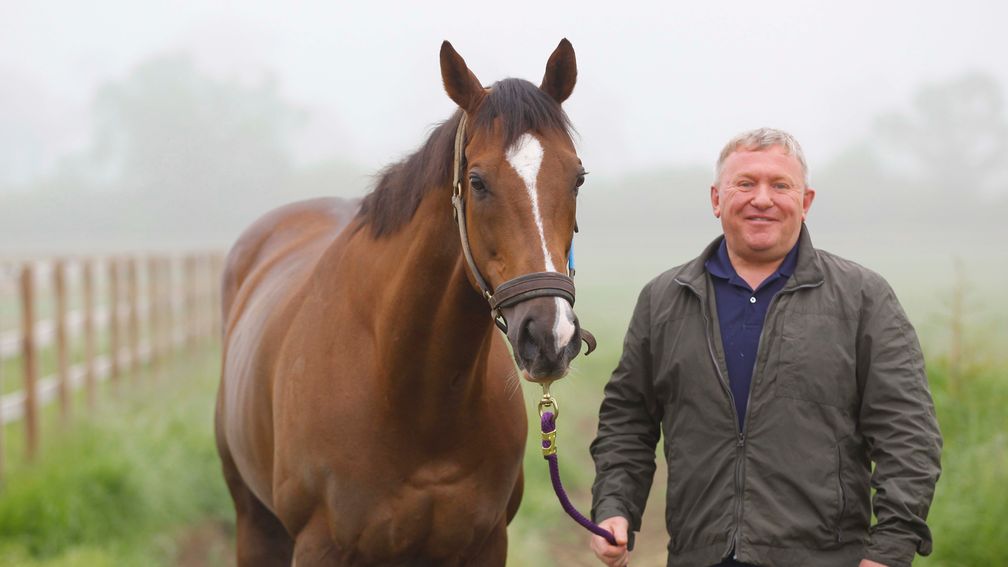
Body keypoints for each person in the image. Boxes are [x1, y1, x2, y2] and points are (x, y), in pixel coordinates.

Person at [588, 128, 942, 567]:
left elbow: (907, 433)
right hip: (701, 556)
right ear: (717, 199)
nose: (761, 199)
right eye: (745, 183)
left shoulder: (864, 297)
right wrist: (615, 508)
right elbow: (627, 420)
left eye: (779, 185)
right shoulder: (664, 299)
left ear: (805, 202)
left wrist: (889, 551)